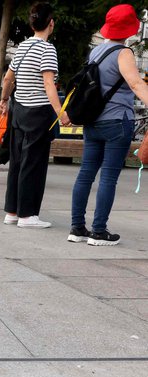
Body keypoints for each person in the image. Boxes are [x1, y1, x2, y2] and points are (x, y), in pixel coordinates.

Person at [69, 4, 148, 246]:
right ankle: (99, 231)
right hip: (116, 122)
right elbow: (135, 84)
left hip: (93, 121)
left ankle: (77, 228)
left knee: (85, 174)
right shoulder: (124, 53)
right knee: (108, 178)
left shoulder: (96, 52)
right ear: (129, 29)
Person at [0, 2, 68, 229]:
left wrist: (4, 100)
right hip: (39, 113)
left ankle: (12, 211)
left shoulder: (23, 47)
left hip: (19, 111)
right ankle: (28, 215)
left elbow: (8, 79)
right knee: (34, 163)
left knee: (17, 161)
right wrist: (61, 112)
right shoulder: (48, 49)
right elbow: (49, 83)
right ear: (51, 23)